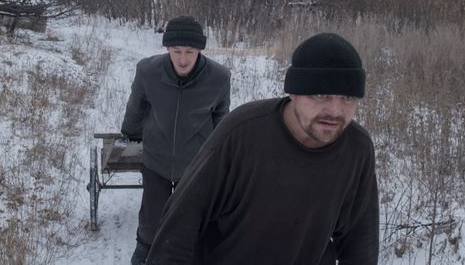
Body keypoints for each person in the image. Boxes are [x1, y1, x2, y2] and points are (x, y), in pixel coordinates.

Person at [146, 32, 379, 265]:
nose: (336, 111)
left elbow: (360, 241)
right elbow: (181, 222)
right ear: (294, 92)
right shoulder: (243, 132)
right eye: (320, 95)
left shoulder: (356, 149)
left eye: (348, 97)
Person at [121, 15, 232, 265]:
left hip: (194, 162)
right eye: (176, 51)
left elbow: (221, 116)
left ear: (200, 50)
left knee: (191, 218)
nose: (183, 59)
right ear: (167, 48)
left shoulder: (219, 77)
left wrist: (218, 156)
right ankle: (145, 255)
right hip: (156, 158)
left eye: (190, 51)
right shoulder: (147, 71)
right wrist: (130, 131)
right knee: (151, 217)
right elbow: (136, 107)